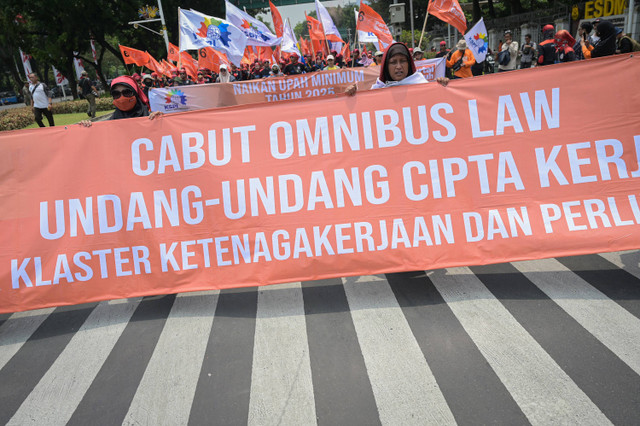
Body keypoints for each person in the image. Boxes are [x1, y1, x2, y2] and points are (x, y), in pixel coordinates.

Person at [345, 42, 448, 95]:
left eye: (403, 61)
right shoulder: (376, 91)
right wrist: (351, 97)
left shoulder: (422, 85)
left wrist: (444, 88)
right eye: (393, 62)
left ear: (409, 63)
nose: (399, 66)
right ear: (386, 67)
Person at [80, 75, 162, 126]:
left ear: (135, 94)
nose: (122, 98)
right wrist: (87, 128)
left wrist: (162, 120)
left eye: (127, 92)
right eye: (116, 94)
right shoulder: (108, 124)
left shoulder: (151, 117)